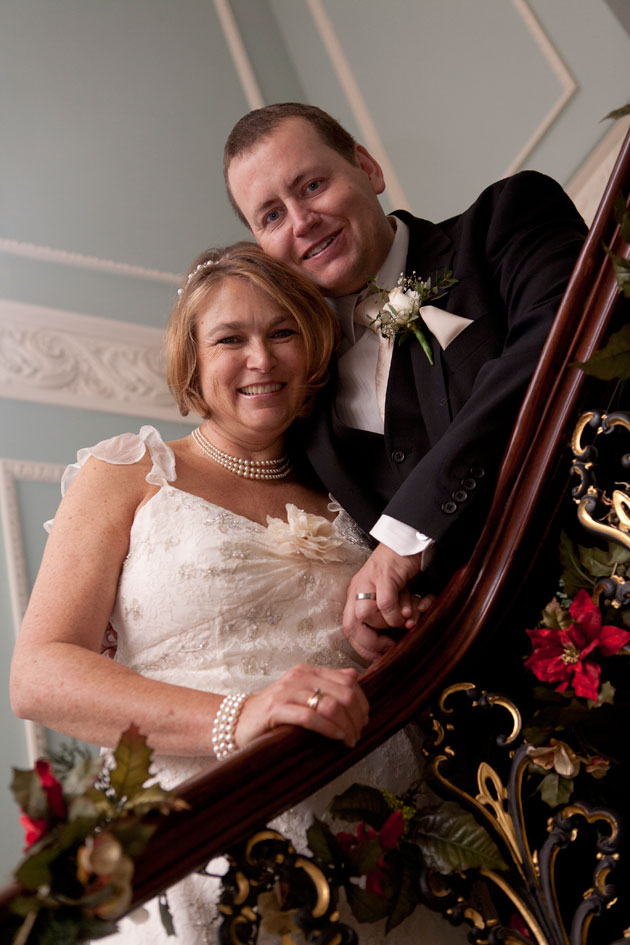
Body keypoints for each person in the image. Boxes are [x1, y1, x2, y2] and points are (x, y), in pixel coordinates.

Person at [10, 243, 465, 945]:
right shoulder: (126, 473)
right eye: (230, 338)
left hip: (380, 837)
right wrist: (237, 716)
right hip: (205, 833)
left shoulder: (358, 491)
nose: (261, 358)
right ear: (193, 358)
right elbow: (39, 674)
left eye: (282, 332)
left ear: (312, 348)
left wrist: (399, 621)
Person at [223, 102, 589, 662]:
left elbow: (560, 348)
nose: (301, 221)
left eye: (313, 185)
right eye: (271, 216)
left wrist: (404, 539)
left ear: (367, 168)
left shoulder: (508, 218)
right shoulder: (301, 399)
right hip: (492, 684)